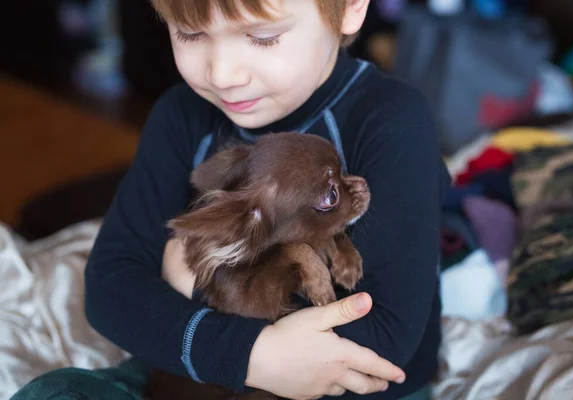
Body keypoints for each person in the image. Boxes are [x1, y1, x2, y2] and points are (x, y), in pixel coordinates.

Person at [11, 0, 450, 399]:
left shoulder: (393, 119)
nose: (222, 74)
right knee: (53, 393)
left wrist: (196, 287)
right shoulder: (181, 114)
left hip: (350, 392)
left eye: (262, 37)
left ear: (352, 7)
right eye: (190, 33)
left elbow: (387, 331)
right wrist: (250, 356)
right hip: (198, 377)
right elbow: (110, 286)